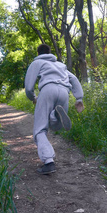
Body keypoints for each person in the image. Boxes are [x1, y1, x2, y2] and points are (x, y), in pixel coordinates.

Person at [25, 44, 84, 174]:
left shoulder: (37, 62)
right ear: (50, 52)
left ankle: (48, 162)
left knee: (40, 130)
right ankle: (56, 115)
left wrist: (33, 97)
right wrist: (79, 98)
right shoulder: (60, 65)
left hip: (47, 90)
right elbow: (73, 78)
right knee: (57, 126)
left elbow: (29, 87)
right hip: (64, 92)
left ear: (38, 53)